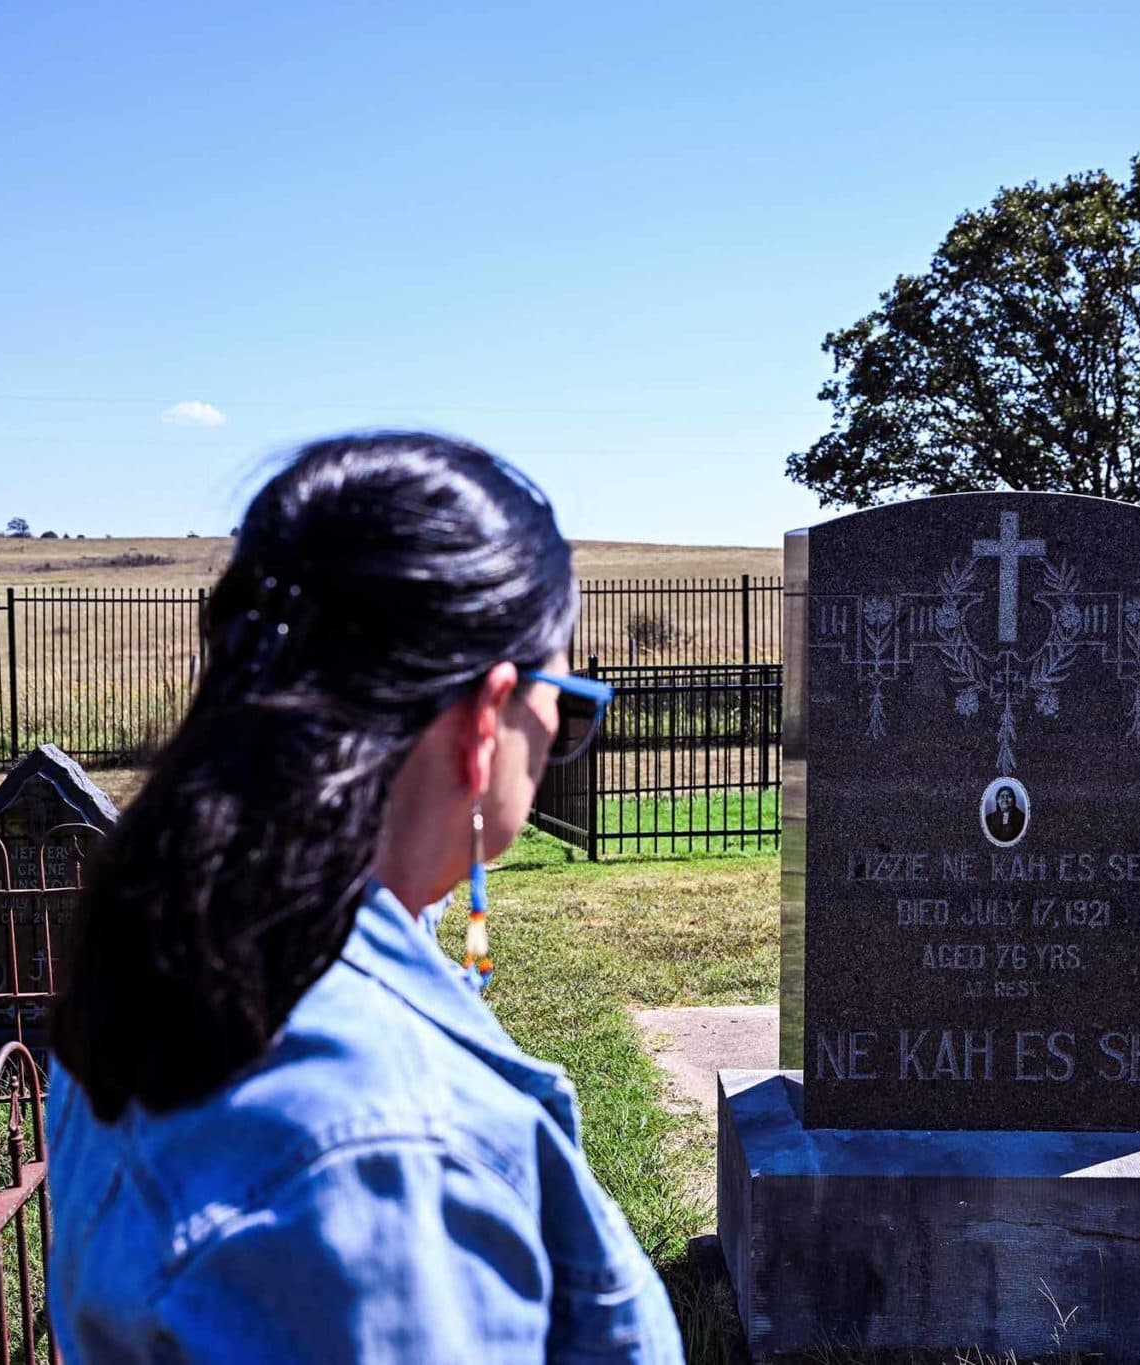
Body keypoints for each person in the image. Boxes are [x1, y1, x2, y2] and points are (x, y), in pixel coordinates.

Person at [46, 433, 684, 1363]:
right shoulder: (384, 1157)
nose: (558, 732)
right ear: (482, 719)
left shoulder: (176, 953)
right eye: (564, 696)